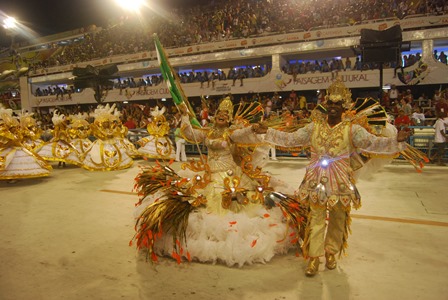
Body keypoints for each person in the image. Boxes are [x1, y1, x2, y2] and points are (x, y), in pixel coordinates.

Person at [252, 78, 411, 276]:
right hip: (315, 178)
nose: (334, 107)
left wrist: (395, 141)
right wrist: (268, 131)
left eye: (338, 104)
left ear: (344, 107)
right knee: (315, 218)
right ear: (326, 105)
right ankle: (313, 258)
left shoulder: (352, 129)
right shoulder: (314, 127)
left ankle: (331, 253)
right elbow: (291, 139)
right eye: (331, 103)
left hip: (341, 179)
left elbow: (372, 143)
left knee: (338, 218)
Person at [131, 97, 306, 267]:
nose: (222, 115)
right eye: (220, 113)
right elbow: (189, 133)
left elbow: (244, 134)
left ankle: (229, 234)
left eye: (225, 114)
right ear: (215, 115)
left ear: (229, 119)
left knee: (228, 201)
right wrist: (184, 115)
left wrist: (253, 128)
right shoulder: (207, 132)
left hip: (228, 174)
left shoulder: (231, 134)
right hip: (209, 173)